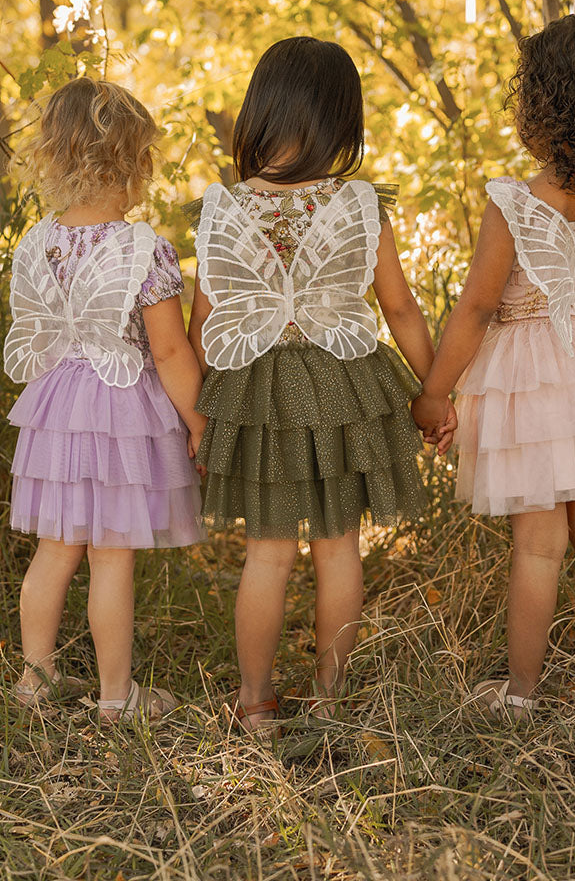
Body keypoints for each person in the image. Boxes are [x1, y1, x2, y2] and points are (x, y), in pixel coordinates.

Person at [186, 36, 453, 730]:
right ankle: (331, 700)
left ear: (259, 112)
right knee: (340, 548)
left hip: (257, 396)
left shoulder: (223, 209)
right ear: (342, 121)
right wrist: (437, 389)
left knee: (267, 555)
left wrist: (197, 413)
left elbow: (207, 325)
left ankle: (254, 704)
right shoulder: (359, 205)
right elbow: (399, 309)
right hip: (343, 390)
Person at [412, 15, 575, 718]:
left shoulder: (517, 204)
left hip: (531, 382)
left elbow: (474, 311)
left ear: (544, 109)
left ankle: (521, 693)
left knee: (538, 545)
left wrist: (435, 392)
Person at [5, 77, 206, 724]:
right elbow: (171, 352)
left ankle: (35, 682)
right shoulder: (142, 250)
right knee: (110, 556)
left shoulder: (38, 243)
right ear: (132, 160)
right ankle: (118, 699)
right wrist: (199, 421)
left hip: (57, 409)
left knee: (56, 548)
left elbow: (35, 330)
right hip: (119, 412)